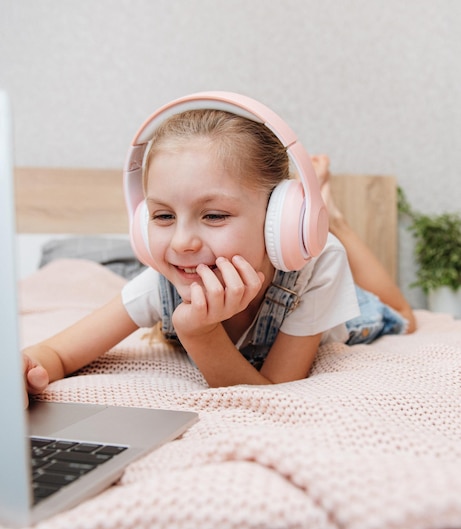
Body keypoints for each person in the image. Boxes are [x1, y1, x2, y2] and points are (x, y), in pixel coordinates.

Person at [23, 102, 415, 398]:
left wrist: (201, 334)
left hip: (337, 313)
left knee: (404, 317)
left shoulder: (319, 264)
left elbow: (271, 391)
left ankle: (335, 220)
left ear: (280, 219)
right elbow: (56, 354)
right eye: (162, 216)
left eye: (212, 215)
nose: (181, 243)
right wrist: (24, 370)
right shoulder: (161, 284)